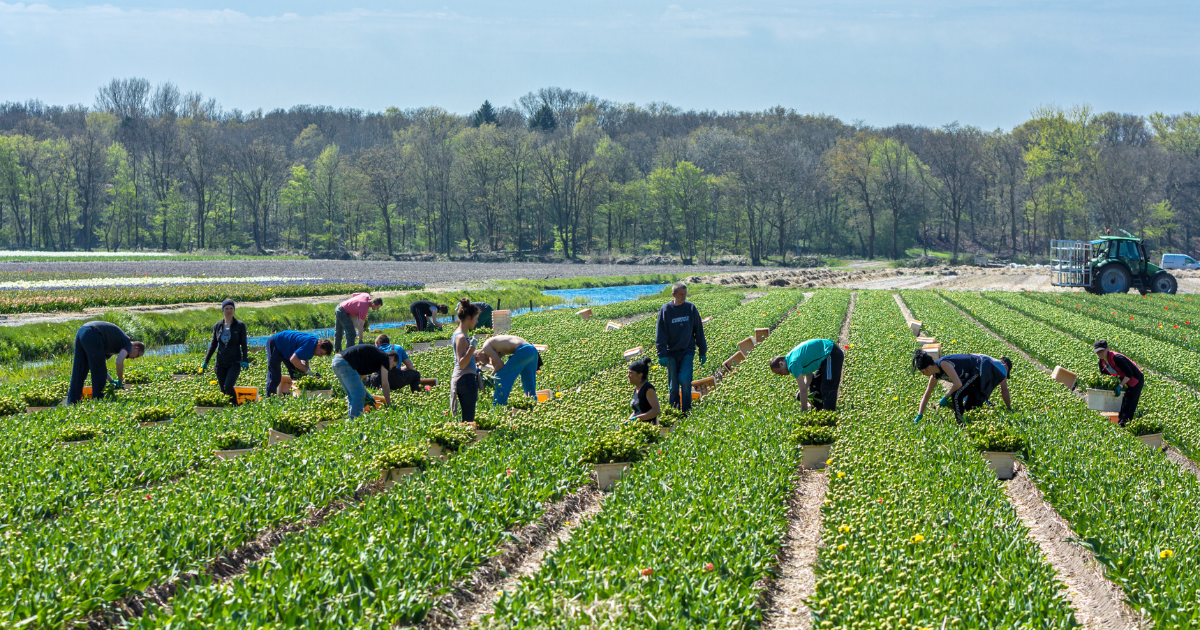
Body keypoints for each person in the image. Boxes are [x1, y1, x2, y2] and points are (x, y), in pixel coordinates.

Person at [914, 350, 1012, 423]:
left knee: (956, 395)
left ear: (928, 368)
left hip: (979, 368)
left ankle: (960, 423)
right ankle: (981, 413)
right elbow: (927, 395)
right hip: (972, 374)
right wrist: (919, 415)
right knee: (970, 408)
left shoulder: (943, 364)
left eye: (923, 372)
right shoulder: (935, 376)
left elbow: (958, 384)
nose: (923, 374)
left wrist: (946, 397)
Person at [655, 282, 707, 413]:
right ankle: (675, 411)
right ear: (673, 294)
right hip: (671, 352)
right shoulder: (666, 310)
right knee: (673, 385)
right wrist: (661, 354)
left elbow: (698, 330)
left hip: (687, 351)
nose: (684, 297)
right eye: (681, 294)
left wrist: (702, 350)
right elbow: (661, 333)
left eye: (685, 294)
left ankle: (686, 411)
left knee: (685, 380)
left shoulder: (691, 308)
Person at [68, 321, 145, 404]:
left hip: (82, 332)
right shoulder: (127, 343)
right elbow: (119, 362)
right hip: (93, 333)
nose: (133, 358)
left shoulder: (113, 345)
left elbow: (99, 366)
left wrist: (111, 380)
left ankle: (72, 404)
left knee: (79, 371)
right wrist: (120, 381)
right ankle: (98, 403)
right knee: (98, 376)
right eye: (137, 356)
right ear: (136, 348)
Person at [769, 338, 844, 412]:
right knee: (815, 385)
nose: (781, 375)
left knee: (827, 387)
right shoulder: (791, 359)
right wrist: (801, 391)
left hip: (831, 353)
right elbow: (809, 376)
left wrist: (803, 410)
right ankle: (818, 412)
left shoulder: (793, 364)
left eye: (780, 372)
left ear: (781, 364)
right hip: (826, 357)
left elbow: (803, 389)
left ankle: (829, 413)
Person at [202, 299, 249, 404]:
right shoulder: (218, 326)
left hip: (234, 362)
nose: (229, 311)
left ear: (234, 310)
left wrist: (245, 360)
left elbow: (244, 344)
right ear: (223, 311)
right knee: (223, 390)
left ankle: (235, 407)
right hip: (220, 363)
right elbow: (213, 345)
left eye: (231, 308)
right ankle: (227, 409)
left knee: (228, 385)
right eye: (226, 309)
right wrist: (206, 361)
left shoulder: (240, 325)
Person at [331, 343, 398, 418]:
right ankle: (356, 421)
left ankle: (352, 420)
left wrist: (366, 393)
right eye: (393, 365)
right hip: (344, 362)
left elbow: (357, 379)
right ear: (392, 358)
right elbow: (385, 383)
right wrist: (389, 404)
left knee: (352, 395)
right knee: (358, 395)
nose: (391, 368)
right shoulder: (385, 358)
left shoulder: (374, 359)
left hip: (336, 361)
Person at [474, 334, 539, 405]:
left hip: (523, 350)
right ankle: (533, 403)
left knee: (499, 377)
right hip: (532, 350)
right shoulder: (494, 347)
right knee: (528, 380)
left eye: (479, 363)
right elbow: (498, 365)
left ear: (478, 356)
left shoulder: (486, 347)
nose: (482, 364)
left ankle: (498, 405)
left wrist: (490, 377)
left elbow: (500, 365)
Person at [264, 330, 333, 396]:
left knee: (295, 375)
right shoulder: (310, 345)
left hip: (288, 349)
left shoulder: (313, 346)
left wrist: (308, 373)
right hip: (276, 343)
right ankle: (269, 397)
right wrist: (308, 372)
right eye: (321, 353)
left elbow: (305, 359)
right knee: (275, 374)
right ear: (319, 345)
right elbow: (293, 359)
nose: (320, 355)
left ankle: (296, 395)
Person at [1094, 340, 1144, 426]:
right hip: (1123, 380)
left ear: (1107, 349)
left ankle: (1125, 424)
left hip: (1135, 380)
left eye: (1102, 351)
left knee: (1129, 404)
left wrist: (1120, 385)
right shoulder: (1101, 362)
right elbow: (1104, 377)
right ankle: (1120, 422)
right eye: (1098, 352)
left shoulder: (1117, 358)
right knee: (1121, 403)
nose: (1100, 353)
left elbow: (1129, 373)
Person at [449, 298, 480, 422]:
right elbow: (461, 363)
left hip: (463, 378)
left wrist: (475, 358)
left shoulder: (458, 333)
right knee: (468, 418)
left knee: (467, 417)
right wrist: (472, 348)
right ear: (468, 318)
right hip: (465, 379)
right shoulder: (461, 337)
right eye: (475, 319)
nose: (477, 322)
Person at [627, 358, 661, 423]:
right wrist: (628, 421)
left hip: (648, 426)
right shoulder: (636, 389)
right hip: (638, 425)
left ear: (640, 375)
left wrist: (637, 418)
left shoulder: (648, 389)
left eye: (631, 373)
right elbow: (636, 411)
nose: (628, 375)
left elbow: (656, 411)